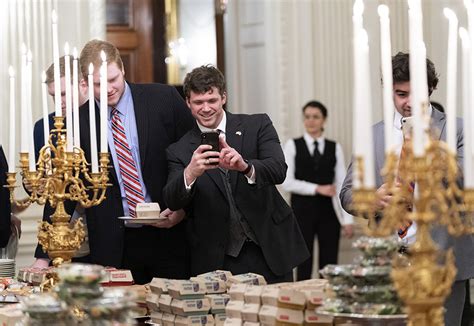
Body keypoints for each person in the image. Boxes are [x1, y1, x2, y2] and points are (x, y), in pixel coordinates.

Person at [340, 52, 474, 326]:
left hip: (443, 262)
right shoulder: (372, 135)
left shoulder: (459, 129)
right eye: (401, 94)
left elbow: (466, 183)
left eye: (417, 94)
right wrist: (372, 199)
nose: (409, 103)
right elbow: (347, 194)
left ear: (431, 89)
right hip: (387, 265)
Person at [163, 65, 309, 283]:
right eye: (198, 102)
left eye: (211, 101)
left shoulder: (257, 124)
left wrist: (246, 166)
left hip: (268, 249)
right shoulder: (179, 150)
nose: (205, 108)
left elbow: (279, 170)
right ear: (188, 103)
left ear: (223, 97)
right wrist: (190, 172)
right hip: (218, 258)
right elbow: (172, 199)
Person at [71, 39, 194, 284]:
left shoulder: (164, 99)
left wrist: (184, 209)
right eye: (98, 84)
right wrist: (44, 256)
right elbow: (67, 185)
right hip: (114, 244)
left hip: (171, 234)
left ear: (123, 69)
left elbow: (195, 157)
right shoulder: (78, 123)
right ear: (84, 83)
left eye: (113, 79)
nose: (108, 89)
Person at [282, 100, 354, 281]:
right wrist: (317, 188)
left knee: (329, 263)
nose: (311, 121)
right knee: (303, 263)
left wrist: (347, 219)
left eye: (315, 117)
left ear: (324, 120)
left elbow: (341, 184)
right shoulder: (292, 145)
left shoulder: (334, 147)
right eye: (307, 117)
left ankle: (329, 303)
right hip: (301, 211)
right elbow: (286, 182)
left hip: (329, 213)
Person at [32, 57, 89, 268]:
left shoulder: (105, 121)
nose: (59, 102)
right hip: (59, 238)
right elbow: (42, 191)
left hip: (106, 236)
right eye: (54, 96)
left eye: (64, 94)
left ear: (83, 84)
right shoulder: (43, 127)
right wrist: (32, 184)